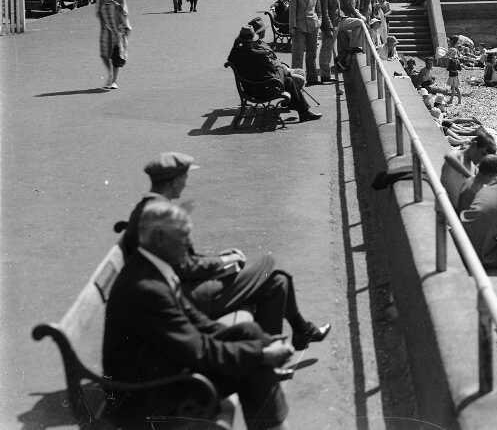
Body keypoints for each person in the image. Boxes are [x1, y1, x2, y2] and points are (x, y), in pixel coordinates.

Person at [105, 201, 293, 430]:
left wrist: (261, 342)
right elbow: (198, 350)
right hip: (147, 397)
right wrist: (260, 354)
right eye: (183, 236)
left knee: (249, 332)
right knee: (253, 365)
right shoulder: (148, 288)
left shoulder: (153, 268)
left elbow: (197, 322)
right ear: (160, 238)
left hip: (161, 372)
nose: (188, 244)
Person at [120, 153, 329, 348]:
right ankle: (291, 337)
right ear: (174, 181)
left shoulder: (147, 208)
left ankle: (287, 339)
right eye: (184, 178)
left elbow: (181, 261)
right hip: (189, 297)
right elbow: (184, 266)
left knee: (278, 282)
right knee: (268, 264)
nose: (185, 183)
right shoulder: (159, 215)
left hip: (184, 288)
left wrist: (221, 259)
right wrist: (223, 262)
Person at [229, 21, 321, 121]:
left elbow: (234, 54)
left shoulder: (235, 53)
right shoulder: (260, 54)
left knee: (288, 79)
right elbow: (273, 71)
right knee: (288, 80)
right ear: (252, 38)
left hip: (248, 88)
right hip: (261, 89)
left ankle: (301, 109)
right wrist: (284, 70)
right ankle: (304, 112)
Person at [95, 0, 131, 90]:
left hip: (118, 29)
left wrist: (116, 6)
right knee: (104, 54)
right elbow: (99, 12)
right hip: (106, 29)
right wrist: (102, 26)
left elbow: (124, 12)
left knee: (115, 55)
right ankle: (110, 74)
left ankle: (114, 80)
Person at [288, 0, 320, 86]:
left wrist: (319, 22)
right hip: (299, 27)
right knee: (298, 54)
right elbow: (292, 12)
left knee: (312, 53)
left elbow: (318, 10)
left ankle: (312, 78)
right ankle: (297, 80)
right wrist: (292, 27)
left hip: (313, 26)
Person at [317, 0, 342, 83]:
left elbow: (336, 8)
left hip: (335, 23)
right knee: (326, 51)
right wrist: (329, 27)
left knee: (328, 49)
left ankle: (326, 75)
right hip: (330, 26)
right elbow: (324, 11)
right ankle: (324, 76)